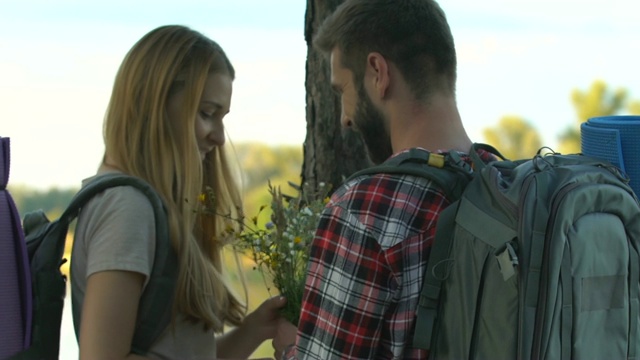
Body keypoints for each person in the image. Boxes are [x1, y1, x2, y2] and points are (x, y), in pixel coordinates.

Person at [272, 0, 493, 358]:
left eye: (342, 90)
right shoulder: (511, 185)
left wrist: (288, 350)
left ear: (378, 72)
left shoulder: (364, 208)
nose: (344, 118)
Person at [71, 25, 285, 360]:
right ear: (154, 106)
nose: (218, 137)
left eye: (222, 116)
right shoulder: (127, 209)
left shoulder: (147, 207)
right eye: (206, 113)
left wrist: (255, 329)